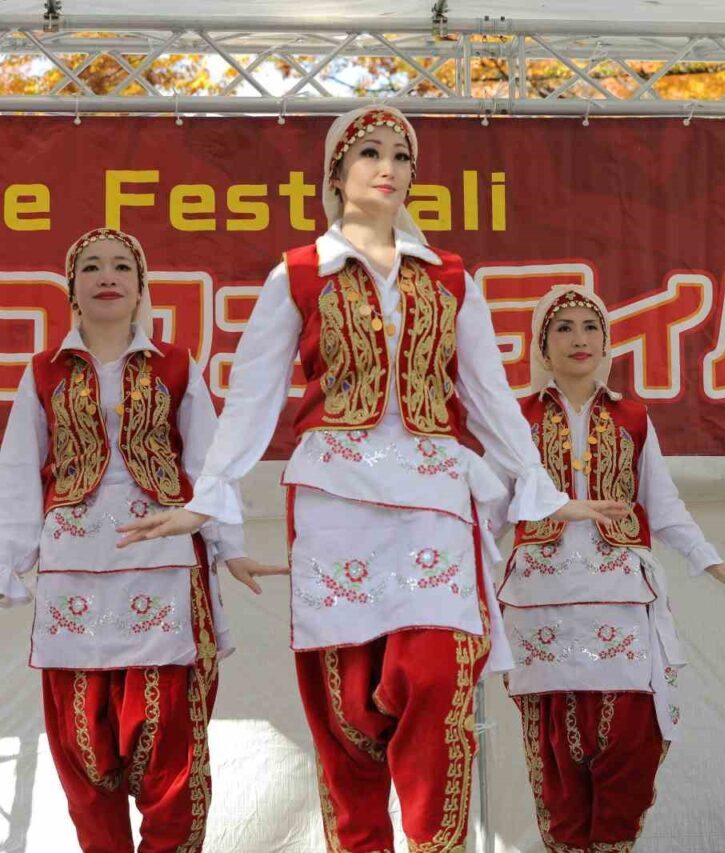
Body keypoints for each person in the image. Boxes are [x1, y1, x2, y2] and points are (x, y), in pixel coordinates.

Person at [117, 106, 625, 852]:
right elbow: (254, 399)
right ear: (336, 173)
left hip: (433, 491)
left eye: (401, 156)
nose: (387, 166)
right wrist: (208, 500)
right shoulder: (297, 274)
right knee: (347, 706)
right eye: (368, 153)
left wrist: (542, 487)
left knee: (435, 669)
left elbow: (487, 396)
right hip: (334, 494)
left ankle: (434, 841)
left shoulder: (450, 277)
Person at [0, 227, 275, 852]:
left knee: (168, 741)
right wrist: (7, 565)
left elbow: (210, 462)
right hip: (74, 559)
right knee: (82, 743)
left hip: (164, 557)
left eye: (122, 266)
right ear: (71, 288)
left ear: (140, 286)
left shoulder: (176, 364)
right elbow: (18, 469)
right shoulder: (43, 372)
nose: (107, 276)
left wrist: (230, 549)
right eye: (91, 266)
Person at [497, 285, 725, 852]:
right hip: (540, 601)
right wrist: (463, 584)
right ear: (541, 345)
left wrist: (715, 563)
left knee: (630, 736)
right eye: (564, 328)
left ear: (606, 341)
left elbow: (664, 504)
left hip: (620, 595)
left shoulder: (631, 416)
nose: (579, 339)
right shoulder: (516, 418)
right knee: (556, 745)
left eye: (590, 327)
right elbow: (489, 507)